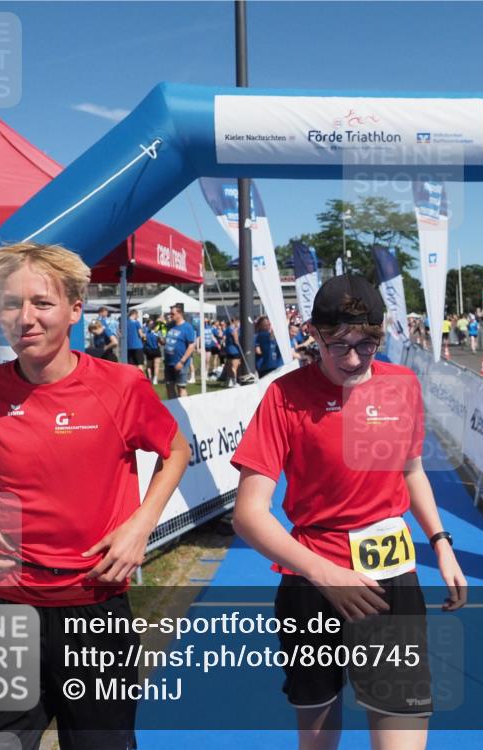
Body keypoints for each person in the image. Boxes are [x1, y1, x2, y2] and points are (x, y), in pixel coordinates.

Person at [0, 242, 190, 750]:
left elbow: (175, 449)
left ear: (75, 309)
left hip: (95, 609)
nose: (26, 318)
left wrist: (139, 527)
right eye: (12, 304)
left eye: (42, 303)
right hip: (6, 609)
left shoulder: (121, 385)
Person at [231, 274, 467, 750]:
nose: (355, 359)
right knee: (318, 739)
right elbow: (248, 514)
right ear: (313, 335)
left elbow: (411, 470)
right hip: (313, 585)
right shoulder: (284, 397)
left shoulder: (401, 385)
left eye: (368, 344)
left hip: (390, 582)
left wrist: (442, 544)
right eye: (338, 345)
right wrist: (324, 573)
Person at [163, 303, 197, 399]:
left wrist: (182, 361)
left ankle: (183, 410)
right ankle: (173, 411)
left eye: (173, 314)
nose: (171, 315)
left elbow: (191, 345)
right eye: (170, 313)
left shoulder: (187, 327)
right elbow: (164, 341)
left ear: (180, 314)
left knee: (181, 388)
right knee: (169, 386)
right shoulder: (170, 325)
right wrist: (161, 339)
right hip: (168, 362)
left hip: (180, 363)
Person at [222, 317, 243, 387]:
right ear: (235, 321)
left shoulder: (227, 329)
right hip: (235, 350)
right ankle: (235, 382)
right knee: (235, 367)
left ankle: (231, 381)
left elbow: (223, 337)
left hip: (229, 350)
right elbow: (236, 339)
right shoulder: (233, 329)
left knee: (230, 366)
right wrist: (240, 347)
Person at [125, 309, 146, 375]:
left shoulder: (125, 322)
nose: (138, 317)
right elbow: (140, 334)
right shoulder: (136, 322)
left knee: (131, 364)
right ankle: (141, 377)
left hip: (129, 346)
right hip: (137, 345)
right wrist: (144, 335)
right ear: (134, 314)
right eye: (137, 315)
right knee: (140, 363)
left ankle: (132, 378)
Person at [143, 316, 162, 384]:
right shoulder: (157, 333)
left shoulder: (146, 333)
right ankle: (155, 379)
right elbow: (160, 341)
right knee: (156, 365)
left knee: (149, 366)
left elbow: (144, 341)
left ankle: (150, 378)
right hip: (156, 349)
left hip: (148, 350)